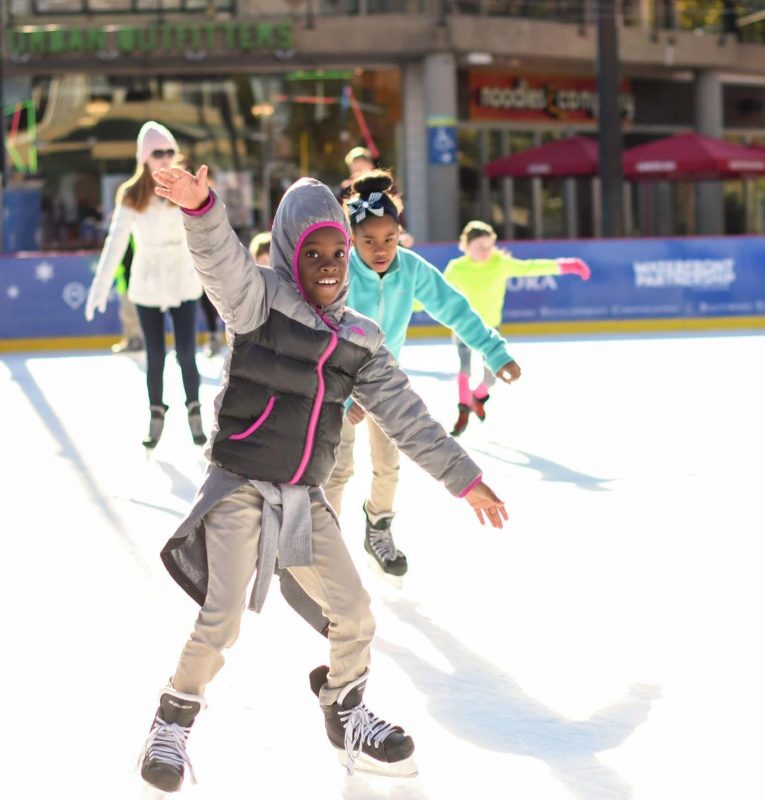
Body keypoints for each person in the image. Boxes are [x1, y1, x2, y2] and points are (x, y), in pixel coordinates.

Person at [139, 164, 510, 794]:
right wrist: (203, 210)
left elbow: (410, 419)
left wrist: (464, 477)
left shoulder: (359, 340)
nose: (331, 264)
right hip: (240, 487)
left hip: (303, 500)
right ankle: (173, 717)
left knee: (356, 612)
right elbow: (221, 263)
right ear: (289, 252)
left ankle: (345, 709)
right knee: (223, 616)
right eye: (314, 252)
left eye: (339, 252)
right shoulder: (256, 303)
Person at [323, 170, 520, 586]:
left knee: (388, 465)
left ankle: (378, 529)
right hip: (336, 382)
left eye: (390, 240)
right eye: (369, 241)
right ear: (351, 238)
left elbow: (455, 309)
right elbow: (315, 330)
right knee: (337, 468)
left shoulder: (411, 269)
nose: (381, 250)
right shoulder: (337, 269)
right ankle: (327, 544)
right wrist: (339, 395)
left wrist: (494, 351)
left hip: (384, 382)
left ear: (400, 234)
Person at [84, 121, 206, 448]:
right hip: (149, 279)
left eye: (169, 151)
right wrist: (100, 287)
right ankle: (156, 414)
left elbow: (206, 229)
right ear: (144, 158)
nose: (165, 158)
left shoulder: (187, 186)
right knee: (155, 353)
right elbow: (116, 243)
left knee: (186, 352)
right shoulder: (131, 194)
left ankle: (195, 411)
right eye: (157, 153)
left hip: (182, 276)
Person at [443, 220, 590, 435]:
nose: (486, 251)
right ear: (466, 246)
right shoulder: (456, 268)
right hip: (464, 326)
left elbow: (530, 267)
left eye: (489, 246)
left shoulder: (500, 263)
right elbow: (438, 293)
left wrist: (566, 265)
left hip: (491, 330)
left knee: (491, 377)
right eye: (480, 247)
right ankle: (463, 410)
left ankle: (478, 397)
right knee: (464, 367)